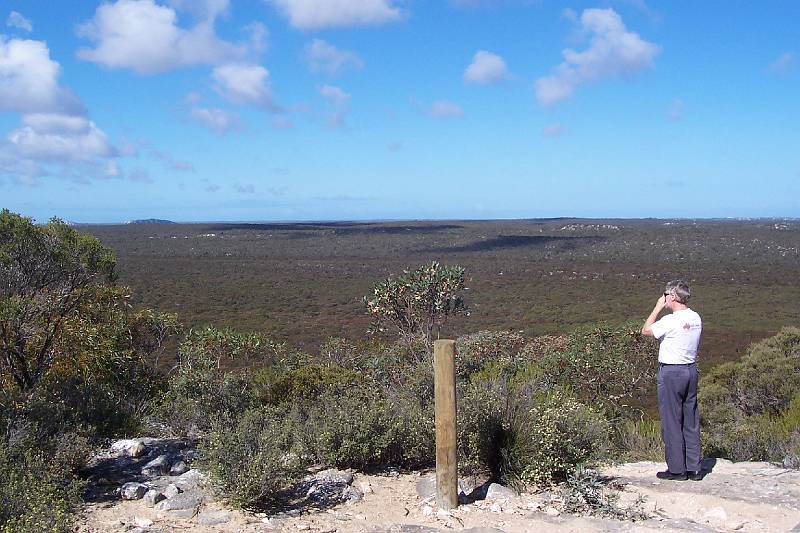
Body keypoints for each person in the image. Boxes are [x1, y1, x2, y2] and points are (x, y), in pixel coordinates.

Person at [641, 279, 703, 481]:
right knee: (690, 419)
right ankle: (694, 468)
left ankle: (677, 469)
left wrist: (657, 308)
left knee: (671, 420)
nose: (664, 298)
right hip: (690, 370)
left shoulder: (670, 320)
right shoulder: (695, 317)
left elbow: (646, 330)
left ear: (673, 297)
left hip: (672, 372)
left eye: (666, 295)